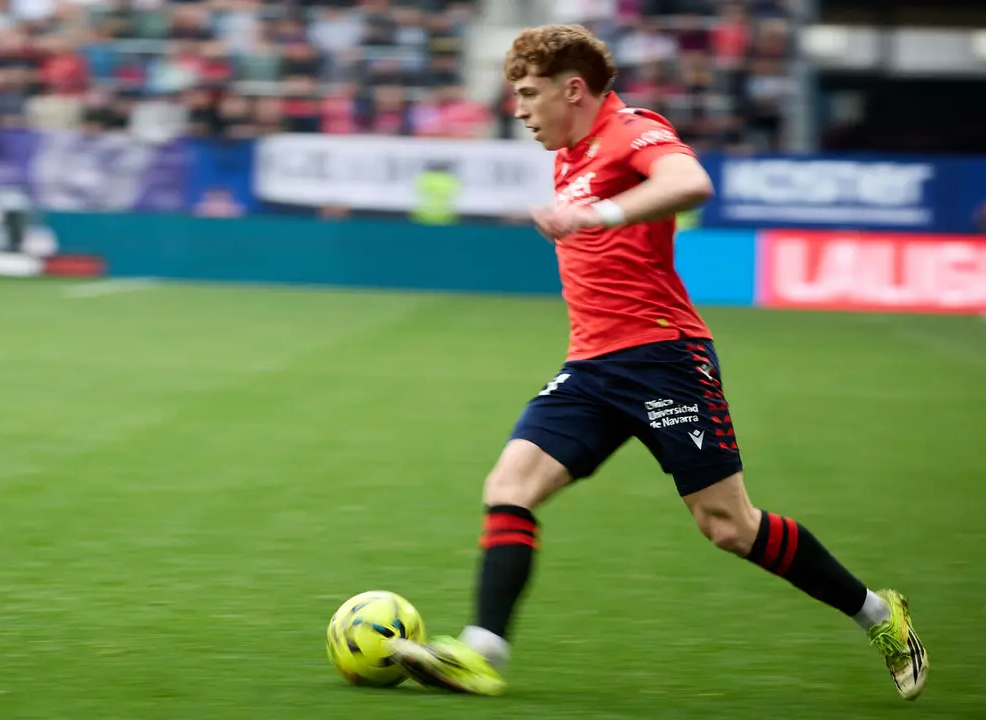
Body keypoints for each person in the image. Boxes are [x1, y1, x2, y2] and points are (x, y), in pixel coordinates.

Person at [385, 24, 927, 701]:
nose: (518, 109)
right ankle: (481, 652)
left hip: (663, 360)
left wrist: (602, 213)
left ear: (573, 89)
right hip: (590, 370)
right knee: (509, 486)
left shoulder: (630, 131)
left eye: (529, 94)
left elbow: (690, 181)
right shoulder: (569, 153)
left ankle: (880, 614)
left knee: (729, 526)